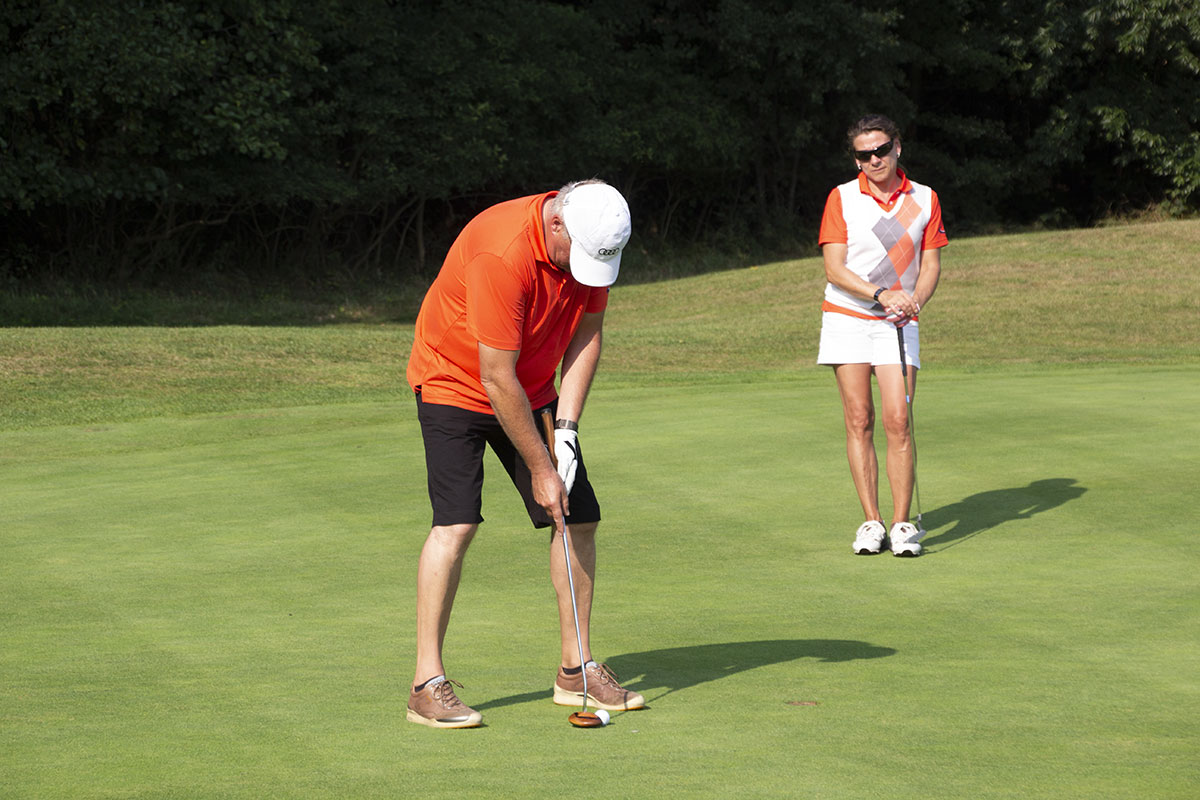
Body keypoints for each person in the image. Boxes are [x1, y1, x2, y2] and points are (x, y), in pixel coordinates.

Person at [404, 179, 646, 728]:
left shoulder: (591, 240)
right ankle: (426, 684)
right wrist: (540, 468)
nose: (585, 272)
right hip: (454, 382)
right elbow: (495, 374)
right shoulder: (503, 252)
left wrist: (566, 429)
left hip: (531, 389)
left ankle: (575, 669)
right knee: (457, 524)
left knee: (577, 517)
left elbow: (587, 335)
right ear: (556, 224)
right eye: (577, 257)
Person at [816, 114, 948, 557]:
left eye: (882, 150)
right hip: (848, 316)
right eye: (864, 154)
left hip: (898, 322)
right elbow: (834, 268)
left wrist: (914, 301)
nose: (874, 159)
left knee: (898, 420)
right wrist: (881, 294)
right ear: (855, 159)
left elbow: (931, 265)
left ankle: (901, 524)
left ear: (897, 148)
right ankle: (872, 522)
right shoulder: (842, 197)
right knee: (859, 419)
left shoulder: (925, 198)